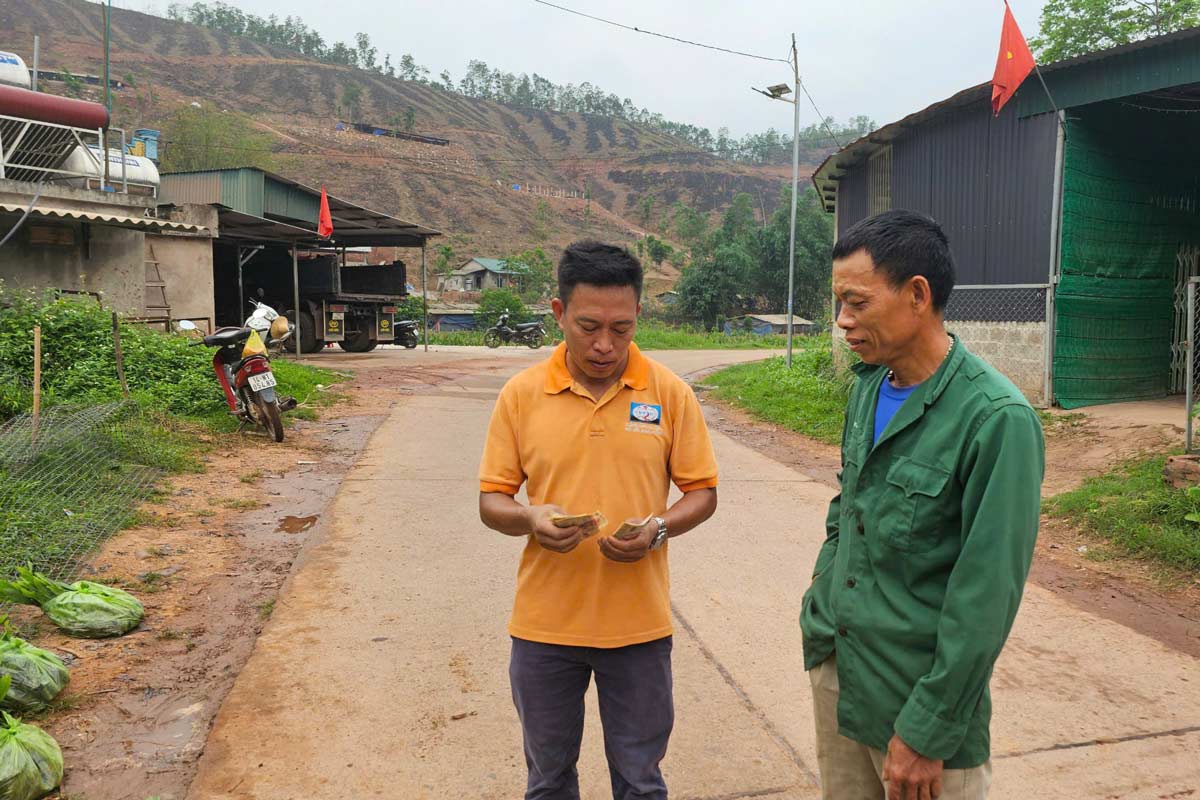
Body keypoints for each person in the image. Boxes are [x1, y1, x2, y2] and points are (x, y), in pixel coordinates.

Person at [800, 210, 1044, 800]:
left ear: (916, 295)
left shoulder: (996, 419)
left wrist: (928, 729)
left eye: (856, 303)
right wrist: (820, 612)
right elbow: (847, 510)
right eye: (838, 303)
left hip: (918, 701)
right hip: (842, 667)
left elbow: (987, 593)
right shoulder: (867, 388)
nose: (842, 321)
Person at [478, 241, 719, 800]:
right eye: (588, 326)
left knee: (640, 781)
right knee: (548, 779)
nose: (605, 344)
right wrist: (531, 517)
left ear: (639, 316)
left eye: (622, 328)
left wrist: (658, 528)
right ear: (559, 314)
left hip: (638, 629)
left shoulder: (669, 393)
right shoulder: (521, 396)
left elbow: (702, 491)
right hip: (544, 629)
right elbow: (493, 500)